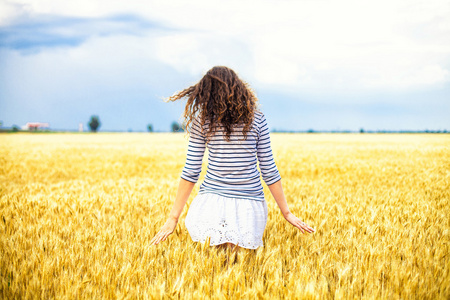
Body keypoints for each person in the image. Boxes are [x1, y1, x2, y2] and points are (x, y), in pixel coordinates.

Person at [150, 66, 314, 251]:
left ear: (205, 93)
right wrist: (287, 212)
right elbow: (268, 169)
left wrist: (173, 218)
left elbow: (191, 171)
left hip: (212, 202)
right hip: (250, 205)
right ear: (239, 89)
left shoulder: (202, 122)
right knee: (242, 270)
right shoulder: (257, 119)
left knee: (214, 271)